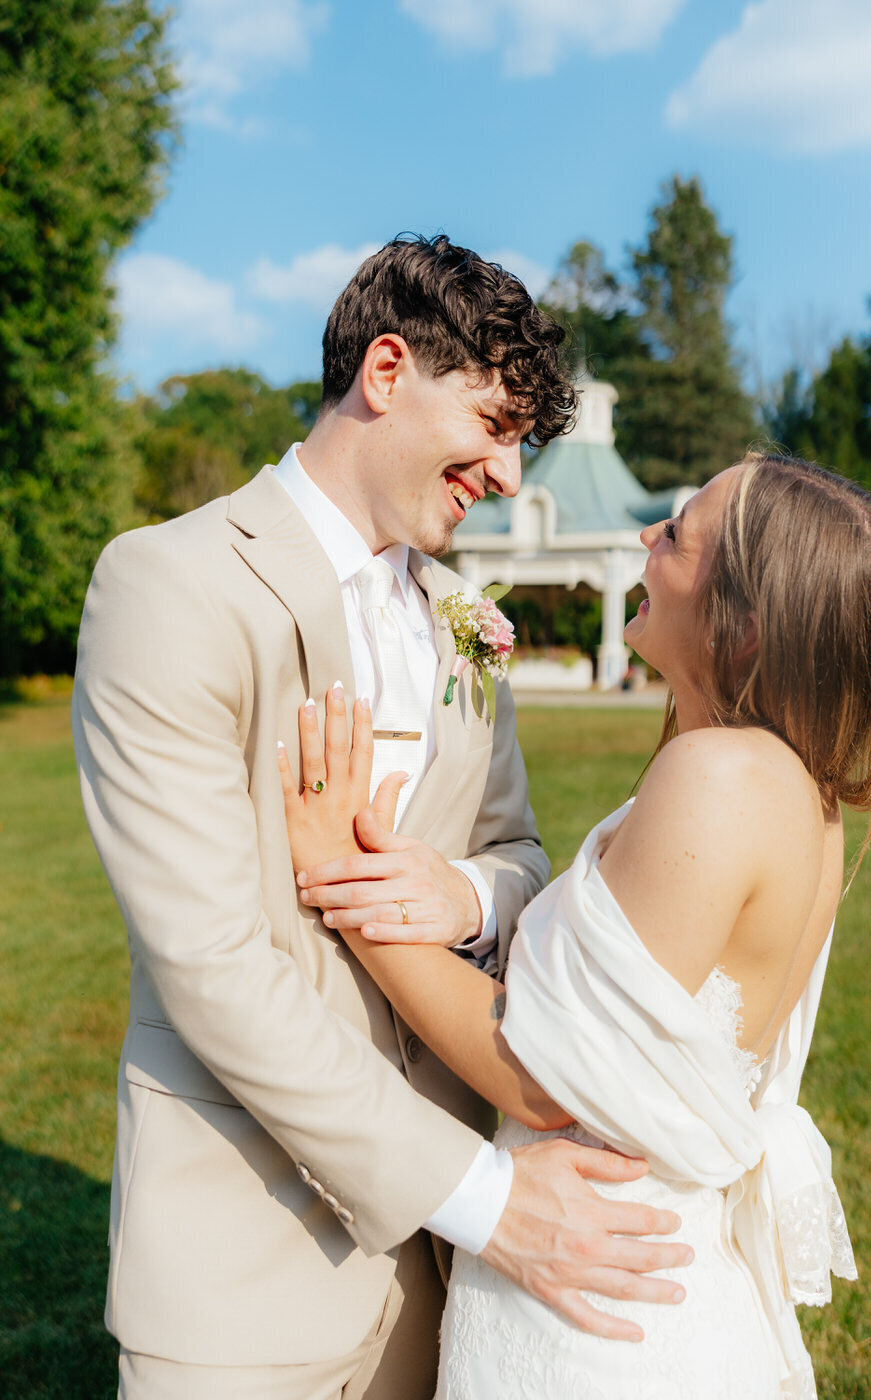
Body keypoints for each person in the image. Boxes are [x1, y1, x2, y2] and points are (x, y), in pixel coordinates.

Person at [71, 234, 692, 1400]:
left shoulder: (467, 616)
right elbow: (210, 963)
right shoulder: (171, 582)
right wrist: (488, 1198)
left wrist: (459, 890)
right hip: (240, 1251)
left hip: (439, 1283)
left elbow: (521, 855)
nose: (510, 478)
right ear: (389, 369)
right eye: (497, 427)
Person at [281, 452, 871, 1398]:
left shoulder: (719, 779)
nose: (644, 539)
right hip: (643, 1272)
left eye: (677, 535)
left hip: (598, 1315)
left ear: (743, 623)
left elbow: (539, 1079)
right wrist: (454, 893)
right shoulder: (799, 792)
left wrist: (341, 876)